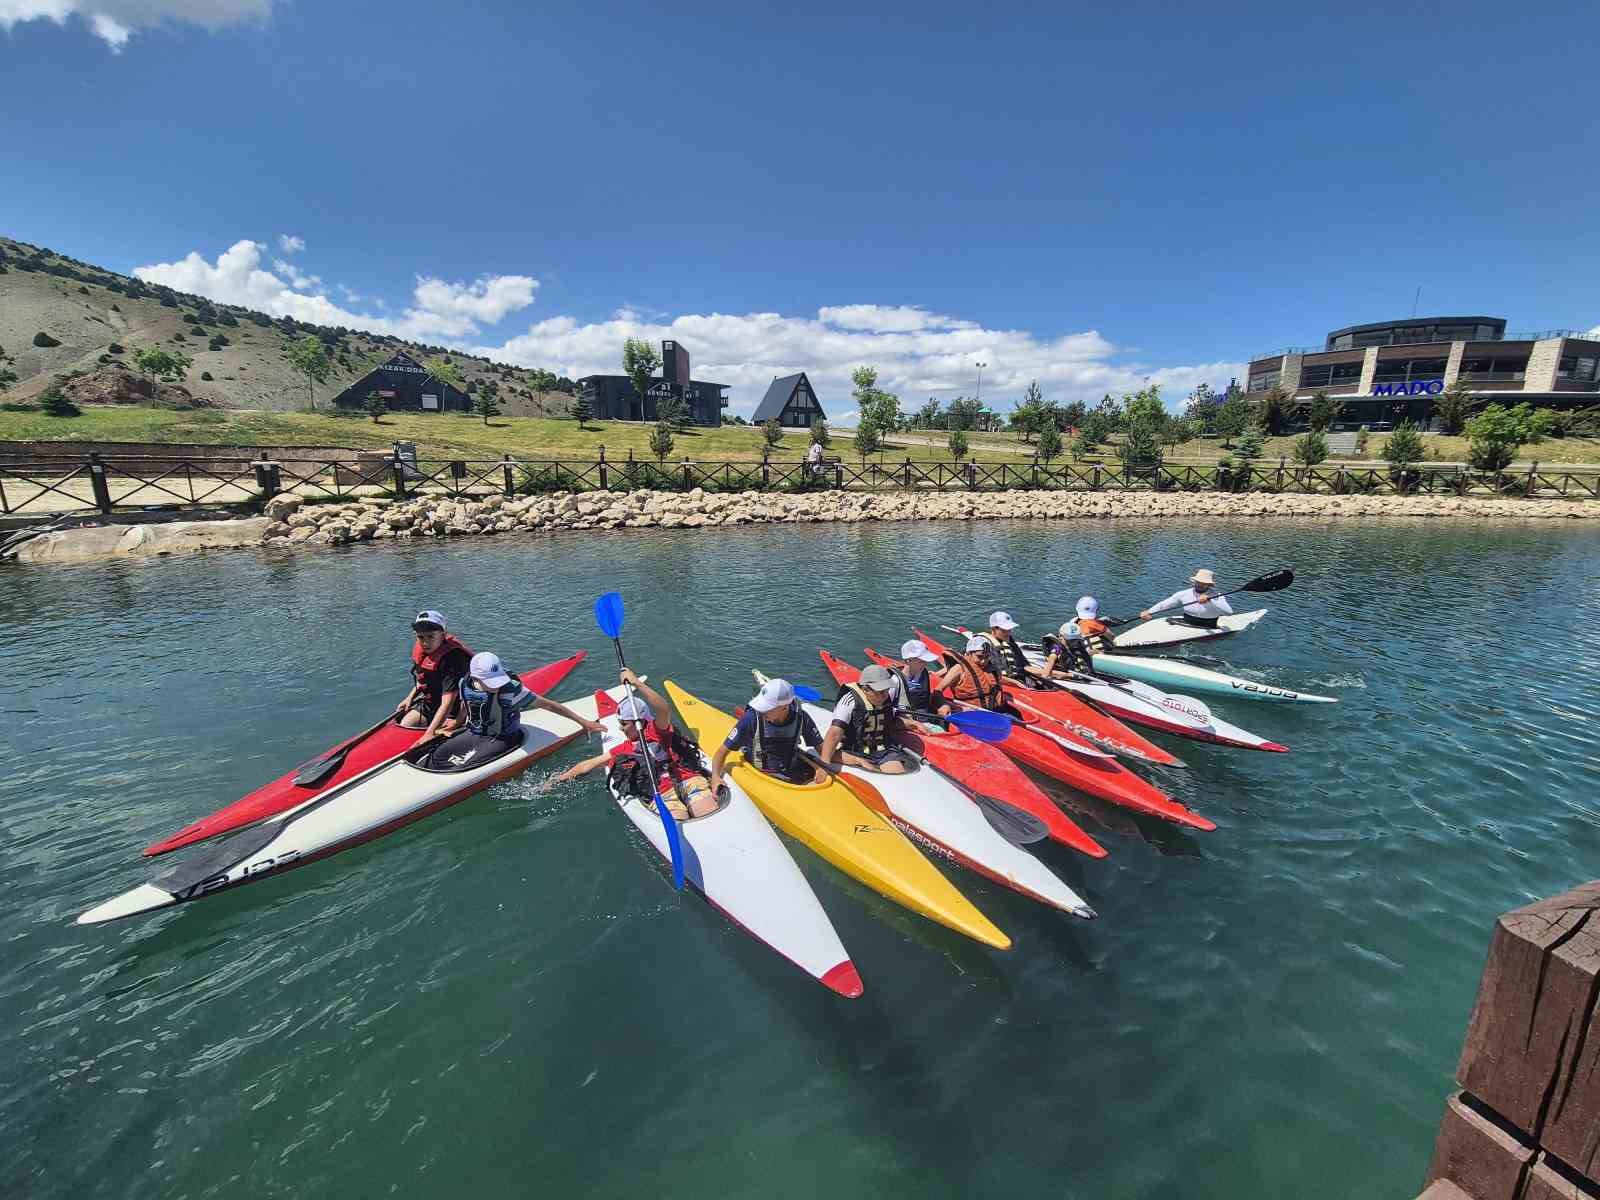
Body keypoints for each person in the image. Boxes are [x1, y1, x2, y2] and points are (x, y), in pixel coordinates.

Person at [552, 670, 718, 819]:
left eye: (624, 724)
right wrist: (557, 780)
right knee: (677, 818)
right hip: (662, 794)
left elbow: (664, 709)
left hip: (688, 779)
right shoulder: (625, 749)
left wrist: (637, 683)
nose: (620, 728)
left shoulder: (657, 730)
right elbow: (588, 765)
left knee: (706, 810)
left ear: (639, 722)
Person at [425, 651, 603, 769]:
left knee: (464, 765)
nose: (496, 685)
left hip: (504, 737)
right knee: (437, 756)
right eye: (490, 682)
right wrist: (457, 722)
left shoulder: (510, 690)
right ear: (475, 678)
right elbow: (466, 704)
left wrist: (583, 722)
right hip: (475, 732)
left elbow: (549, 705)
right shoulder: (465, 683)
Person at [708, 677, 829, 794]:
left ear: (784, 707)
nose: (762, 711)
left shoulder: (802, 718)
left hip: (788, 770)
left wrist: (821, 767)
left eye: (767, 708)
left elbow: (823, 749)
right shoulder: (751, 718)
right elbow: (722, 752)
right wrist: (715, 777)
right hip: (760, 772)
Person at [820, 664, 915, 774]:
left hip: (882, 749)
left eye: (887, 690)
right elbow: (835, 732)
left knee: (897, 772)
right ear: (865, 689)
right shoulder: (850, 701)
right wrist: (824, 765)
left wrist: (913, 724)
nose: (885, 695)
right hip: (854, 751)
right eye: (880, 692)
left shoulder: (885, 697)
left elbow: (889, 721)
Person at [396, 610, 472, 736]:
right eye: (421, 637)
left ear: (443, 635)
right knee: (406, 724)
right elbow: (423, 679)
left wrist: (429, 734)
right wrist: (409, 698)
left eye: (431, 637)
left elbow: (448, 701)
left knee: (436, 734)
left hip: (455, 710)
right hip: (431, 704)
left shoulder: (454, 658)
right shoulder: (422, 651)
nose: (425, 643)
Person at [970, 610, 1051, 684]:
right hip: (1001, 683)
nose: (1008, 633)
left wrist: (1047, 672)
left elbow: (1024, 666)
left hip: (1017, 679)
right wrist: (1015, 683)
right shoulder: (983, 645)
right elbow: (981, 671)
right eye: (1004, 630)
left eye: (1009, 629)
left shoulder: (1010, 642)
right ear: (994, 629)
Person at [1039, 596, 1112, 676]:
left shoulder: (1073, 623)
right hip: (1065, 668)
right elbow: (1047, 669)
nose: (1073, 642)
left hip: (1073, 664)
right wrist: (1067, 675)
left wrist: (1099, 653)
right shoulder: (1057, 648)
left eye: (1075, 640)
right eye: (1070, 640)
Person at [1139, 568, 1234, 628]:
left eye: (1204, 583)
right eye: (1198, 582)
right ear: (1195, 582)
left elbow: (1229, 613)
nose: (1200, 585)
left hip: (1208, 626)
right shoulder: (1184, 593)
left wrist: (1210, 599)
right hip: (1186, 623)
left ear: (1209, 585)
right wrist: (1149, 611)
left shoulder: (1217, 596)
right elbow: (1166, 604)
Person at [932, 635, 1006, 709]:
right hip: (969, 712)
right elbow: (937, 691)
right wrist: (944, 705)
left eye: (987, 657)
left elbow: (999, 680)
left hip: (995, 711)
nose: (983, 661)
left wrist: (1014, 682)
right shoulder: (959, 669)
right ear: (969, 653)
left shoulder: (992, 668)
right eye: (979, 657)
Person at [885, 640, 952, 718]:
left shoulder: (923, 674)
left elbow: (928, 697)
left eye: (925, 661)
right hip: (906, 720)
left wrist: (943, 704)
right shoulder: (896, 681)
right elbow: (886, 708)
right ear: (908, 661)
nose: (925, 664)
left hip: (923, 717)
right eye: (921, 661)